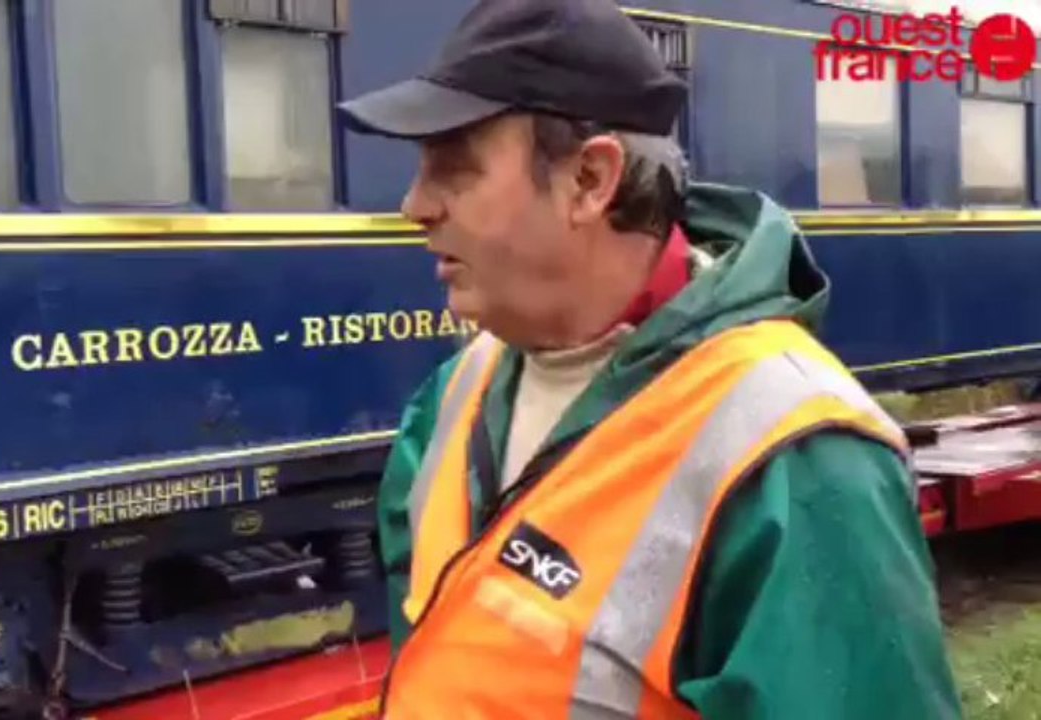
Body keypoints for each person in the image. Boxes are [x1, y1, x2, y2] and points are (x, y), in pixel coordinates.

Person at [336, 0, 963, 717]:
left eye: (453, 167)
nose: (414, 204)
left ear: (588, 180)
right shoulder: (458, 392)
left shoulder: (796, 460)